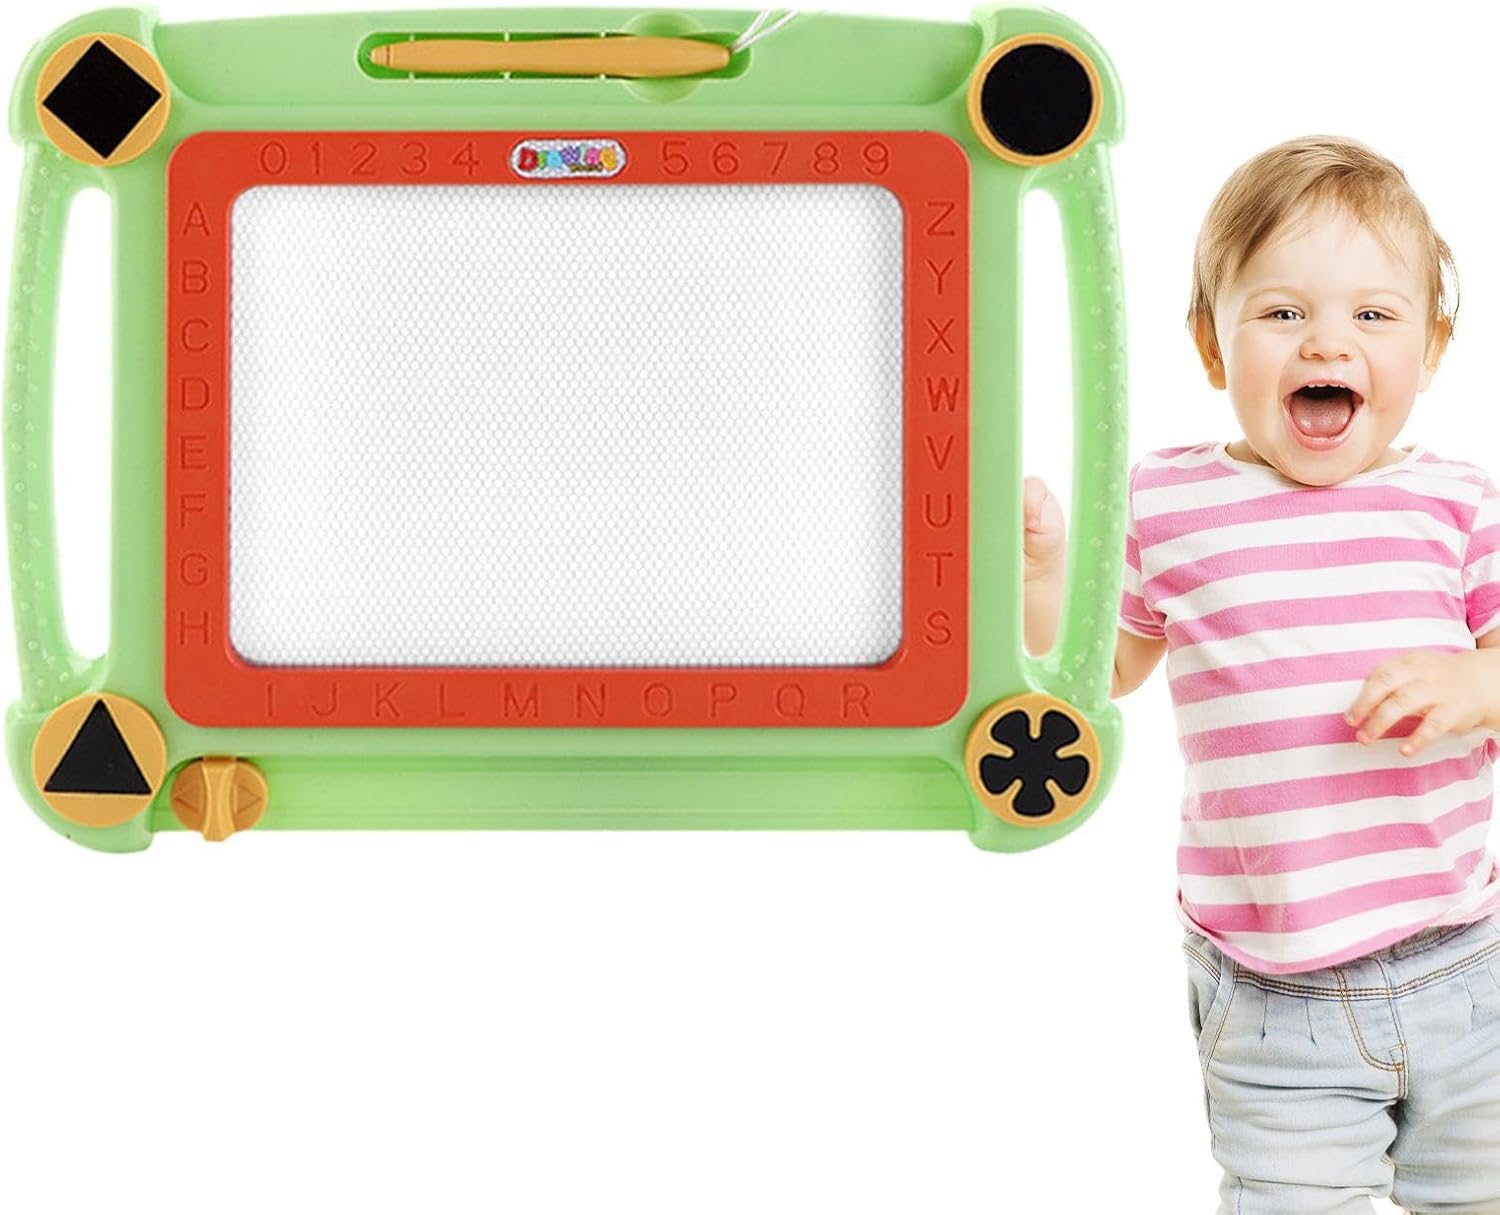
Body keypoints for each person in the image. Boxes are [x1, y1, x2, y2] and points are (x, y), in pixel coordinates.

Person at [1023, 136, 1500, 1213]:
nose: (1328, 340)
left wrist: (1478, 686)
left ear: (1431, 348)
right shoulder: (1167, 502)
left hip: (1468, 970)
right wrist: (1048, 578)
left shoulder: (1459, 503)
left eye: (1373, 315)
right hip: (1274, 997)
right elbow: (1103, 668)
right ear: (1210, 345)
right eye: (1283, 312)